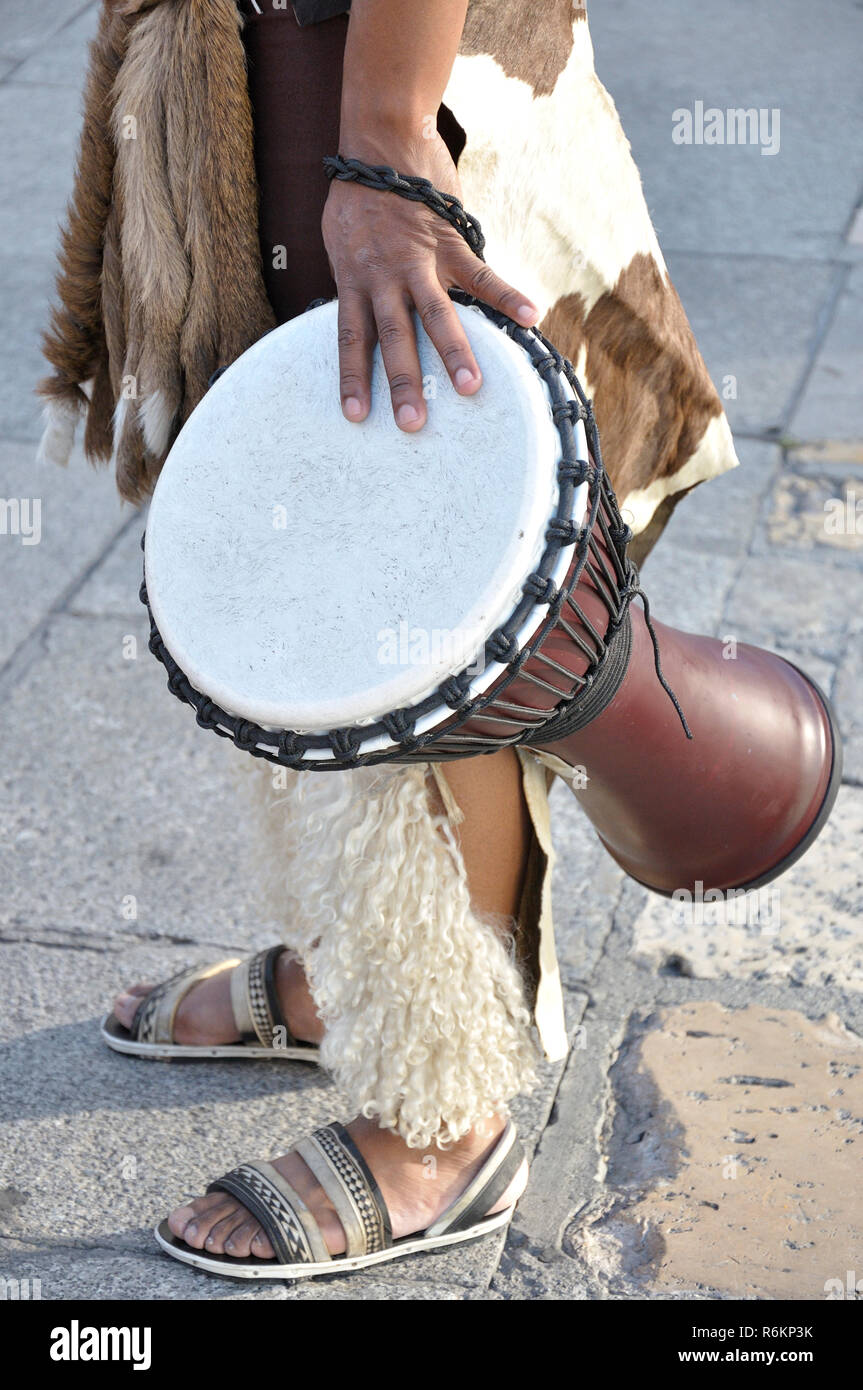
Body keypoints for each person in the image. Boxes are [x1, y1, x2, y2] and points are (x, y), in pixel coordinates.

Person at [38, 0, 737, 1278]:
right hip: (259, 56)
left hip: (389, 73)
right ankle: (355, 974)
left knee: (441, 593)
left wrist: (383, 134)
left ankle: (444, 1110)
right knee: (306, 566)